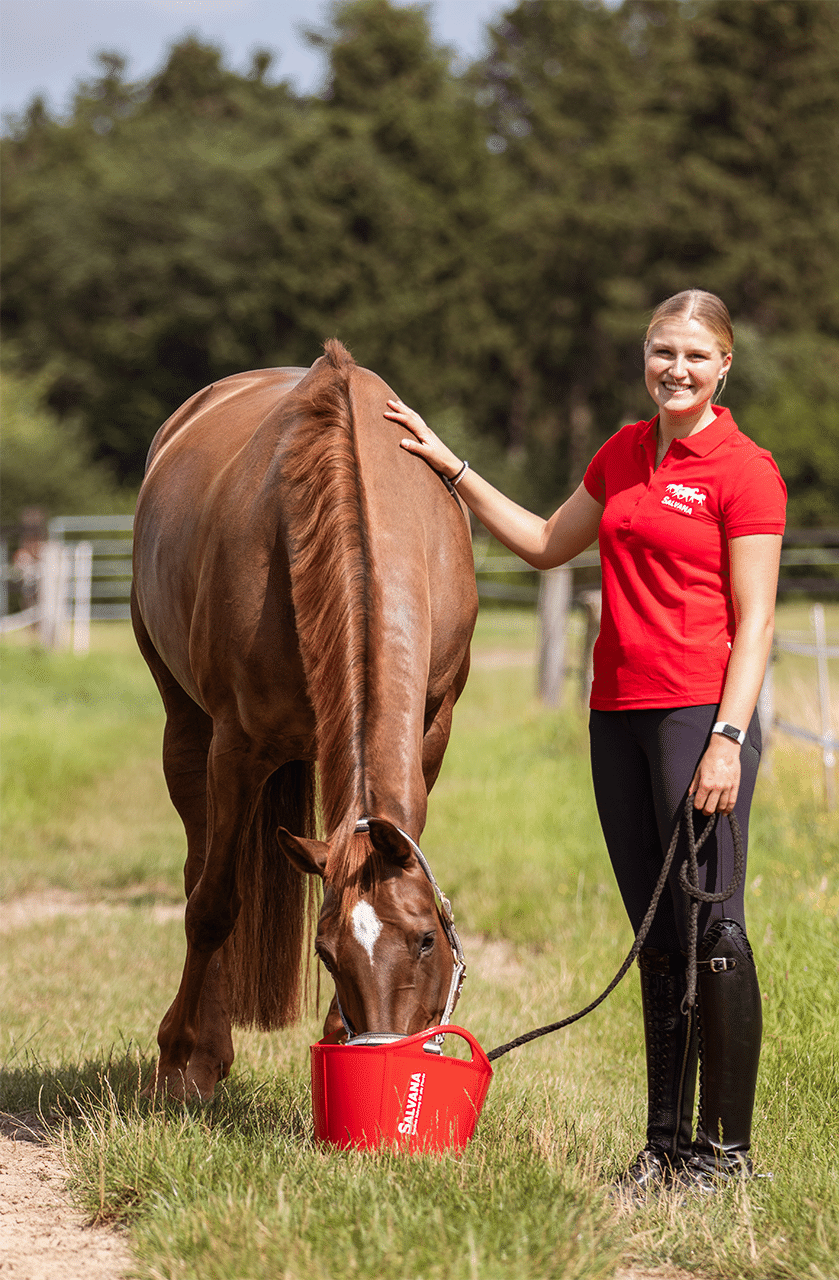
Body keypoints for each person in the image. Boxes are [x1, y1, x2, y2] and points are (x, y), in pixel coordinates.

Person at [384, 289, 786, 1193]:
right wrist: (451, 467)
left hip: (699, 717)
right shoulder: (622, 452)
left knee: (713, 930)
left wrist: (727, 738)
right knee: (656, 937)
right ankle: (663, 1148)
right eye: (661, 352)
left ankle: (725, 1158)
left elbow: (757, 620)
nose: (675, 369)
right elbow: (541, 542)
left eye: (694, 355)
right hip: (617, 716)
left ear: (724, 365)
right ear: (644, 357)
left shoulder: (744, 470)